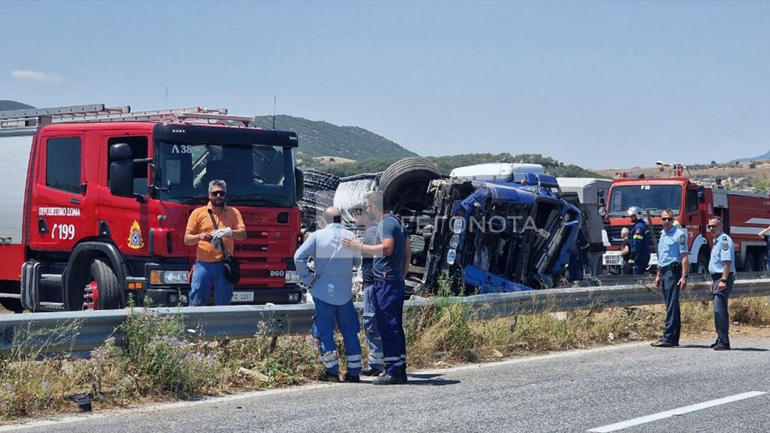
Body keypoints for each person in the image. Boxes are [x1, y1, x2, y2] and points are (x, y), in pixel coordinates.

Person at [342, 191, 411, 385]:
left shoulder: (386, 223)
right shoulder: (398, 222)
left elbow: (387, 248)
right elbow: (407, 252)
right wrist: (400, 275)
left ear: (375, 206)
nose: (366, 210)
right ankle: (398, 368)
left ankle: (394, 371)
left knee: (388, 326)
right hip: (394, 280)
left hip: (386, 282)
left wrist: (359, 247)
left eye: (367, 206)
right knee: (394, 326)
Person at [294, 207, 363, 382]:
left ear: (324, 220)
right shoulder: (350, 236)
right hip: (345, 292)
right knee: (350, 332)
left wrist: (308, 279)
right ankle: (354, 372)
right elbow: (357, 261)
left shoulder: (317, 236)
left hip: (323, 291)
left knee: (325, 332)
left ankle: (332, 371)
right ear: (341, 219)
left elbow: (298, 257)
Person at [184, 180, 246, 306]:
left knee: (224, 302)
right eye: (215, 193)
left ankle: (222, 325)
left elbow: (243, 235)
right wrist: (200, 236)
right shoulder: (198, 213)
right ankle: (195, 325)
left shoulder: (234, 212)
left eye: (221, 193)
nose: (218, 196)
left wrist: (230, 232)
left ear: (225, 195)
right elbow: (187, 239)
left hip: (224, 264)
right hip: (203, 264)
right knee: (196, 301)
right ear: (209, 195)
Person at [353, 204, 384, 376]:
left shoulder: (371, 232)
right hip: (374, 282)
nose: (353, 219)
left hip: (373, 284)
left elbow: (376, 254)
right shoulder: (374, 231)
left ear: (365, 217)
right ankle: (380, 361)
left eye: (356, 215)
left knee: (371, 322)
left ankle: (376, 363)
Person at [651, 209, 689, 348]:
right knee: (671, 306)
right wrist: (658, 275)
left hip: (673, 272)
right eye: (664, 219)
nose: (666, 221)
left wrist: (684, 277)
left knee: (672, 306)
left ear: (673, 220)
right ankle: (673, 338)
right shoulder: (662, 235)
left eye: (669, 219)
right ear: (660, 220)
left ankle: (668, 338)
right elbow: (662, 258)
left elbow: (685, 257)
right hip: (664, 271)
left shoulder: (679, 235)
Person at [707, 216, 734, 351]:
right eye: (709, 226)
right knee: (717, 310)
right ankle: (720, 338)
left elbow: (727, 262)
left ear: (721, 226)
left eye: (714, 226)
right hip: (717, 278)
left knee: (720, 310)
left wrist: (723, 280)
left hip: (723, 278)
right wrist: (714, 280)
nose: (712, 228)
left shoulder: (724, 240)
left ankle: (724, 341)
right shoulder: (716, 241)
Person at [627, 206, 651, 274]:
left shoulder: (639, 227)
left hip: (639, 257)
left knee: (637, 277)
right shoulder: (641, 225)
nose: (630, 217)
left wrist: (632, 257)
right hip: (643, 255)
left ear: (637, 215)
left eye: (632, 216)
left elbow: (637, 242)